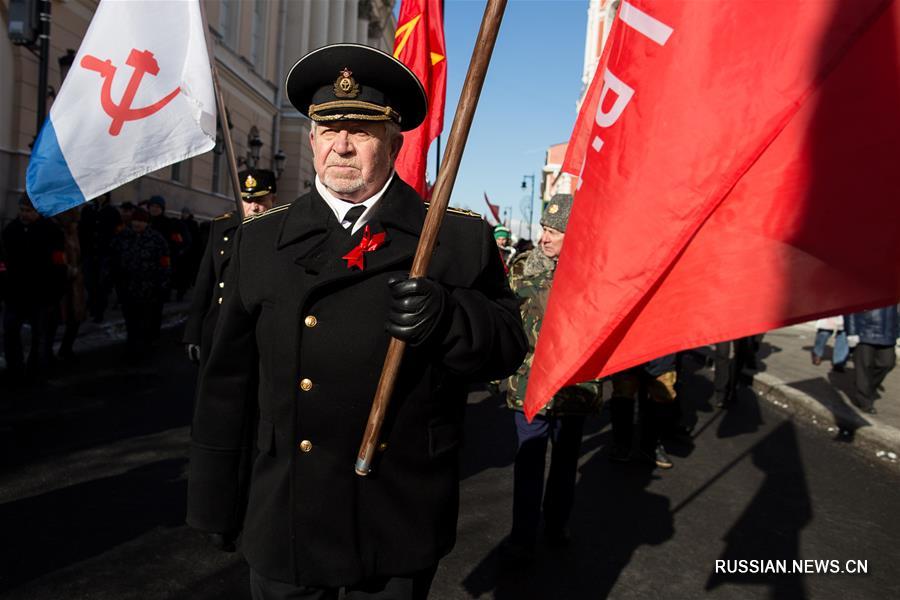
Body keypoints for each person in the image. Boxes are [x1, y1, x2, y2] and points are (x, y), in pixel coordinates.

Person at [186, 44, 527, 600]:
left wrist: (450, 316)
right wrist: (215, 500)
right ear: (312, 139)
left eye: (361, 131)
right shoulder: (260, 241)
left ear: (394, 143)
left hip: (396, 511)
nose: (341, 145)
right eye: (329, 129)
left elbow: (508, 345)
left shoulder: (455, 238)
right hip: (286, 511)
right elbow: (226, 384)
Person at [501, 193, 601, 561]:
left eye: (554, 232)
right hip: (529, 383)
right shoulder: (522, 268)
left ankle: (557, 523)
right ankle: (522, 538)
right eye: (544, 228)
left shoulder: (595, 272)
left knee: (564, 462)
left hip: (574, 385)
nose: (544, 237)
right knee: (528, 461)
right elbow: (505, 320)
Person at [183, 168, 278, 366]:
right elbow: (205, 281)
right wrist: (193, 332)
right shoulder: (221, 226)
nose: (254, 207)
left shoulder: (282, 230)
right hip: (220, 324)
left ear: (273, 199)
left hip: (262, 329)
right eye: (247, 200)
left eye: (260, 200)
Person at [2, 195, 66, 383]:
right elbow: (3, 259)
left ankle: (35, 371)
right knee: (10, 332)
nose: (24, 214)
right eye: (22, 210)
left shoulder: (51, 231)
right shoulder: (11, 230)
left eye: (28, 211)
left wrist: (56, 290)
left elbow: (59, 262)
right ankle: (15, 369)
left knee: (40, 335)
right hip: (14, 292)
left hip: (42, 293)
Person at [109, 207, 170, 359]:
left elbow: (164, 263)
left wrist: (161, 284)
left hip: (148, 289)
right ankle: (132, 349)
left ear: (147, 223)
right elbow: (113, 259)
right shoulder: (122, 237)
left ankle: (144, 348)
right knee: (131, 321)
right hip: (127, 288)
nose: (137, 224)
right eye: (135, 220)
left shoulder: (156, 239)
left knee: (145, 321)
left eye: (141, 221)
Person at [608, 354, 678, 469]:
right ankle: (621, 444)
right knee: (623, 394)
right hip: (628, 352)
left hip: (661, 355)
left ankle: (651, 445)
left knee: (662, 395)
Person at [844, 306, 898, 414]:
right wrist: (852, 332)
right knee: (864, 366)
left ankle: (865, 386)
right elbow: (849, 307)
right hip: (864, 331)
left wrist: (897, 331)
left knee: (887, 363)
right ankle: (864, 401)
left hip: (887, 333)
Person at [79, 193, 121, 322]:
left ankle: (99, 312)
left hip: (105, 253)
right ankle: (92, 306)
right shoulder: (87, 210)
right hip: (89, 252)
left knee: (102, 284)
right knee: (90, 282)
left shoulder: (112, 212)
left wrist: (112, 249)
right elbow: (82, 230)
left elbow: (117, 232)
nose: (100, 196)